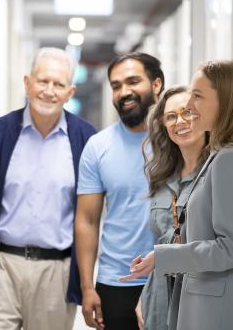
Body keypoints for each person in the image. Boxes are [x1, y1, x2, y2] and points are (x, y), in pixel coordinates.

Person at [121, 59, 233, 330]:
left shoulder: (230, 159)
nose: (191, 107)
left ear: (229, 100)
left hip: (220, 314)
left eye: (198, 96)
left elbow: (231, 248)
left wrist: (163, 257)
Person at [0, 47, 96, 330]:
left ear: (70, 92)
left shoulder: (86, 139)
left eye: (59, 84)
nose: (49, 91)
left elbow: (91, 214)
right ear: (28, 83)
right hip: (1, 267)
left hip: (56, 273)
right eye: (43, 81)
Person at [75, 52, 164, 330]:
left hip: (172, 276)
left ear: (157, 85)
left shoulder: (178, 140)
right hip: (116, 283)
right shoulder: (97, 147)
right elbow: (87, 220)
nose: (124, 92)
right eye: (116, 86)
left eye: (133, 81)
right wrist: (87, 287)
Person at [134, 86, 209, 330]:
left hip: (199, 296)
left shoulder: (218, 170)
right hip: (158, 301)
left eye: (188, 112)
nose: (181, 122)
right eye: (171, 116)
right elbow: (163, 243)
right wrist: (146, 294)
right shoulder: (162, 177)